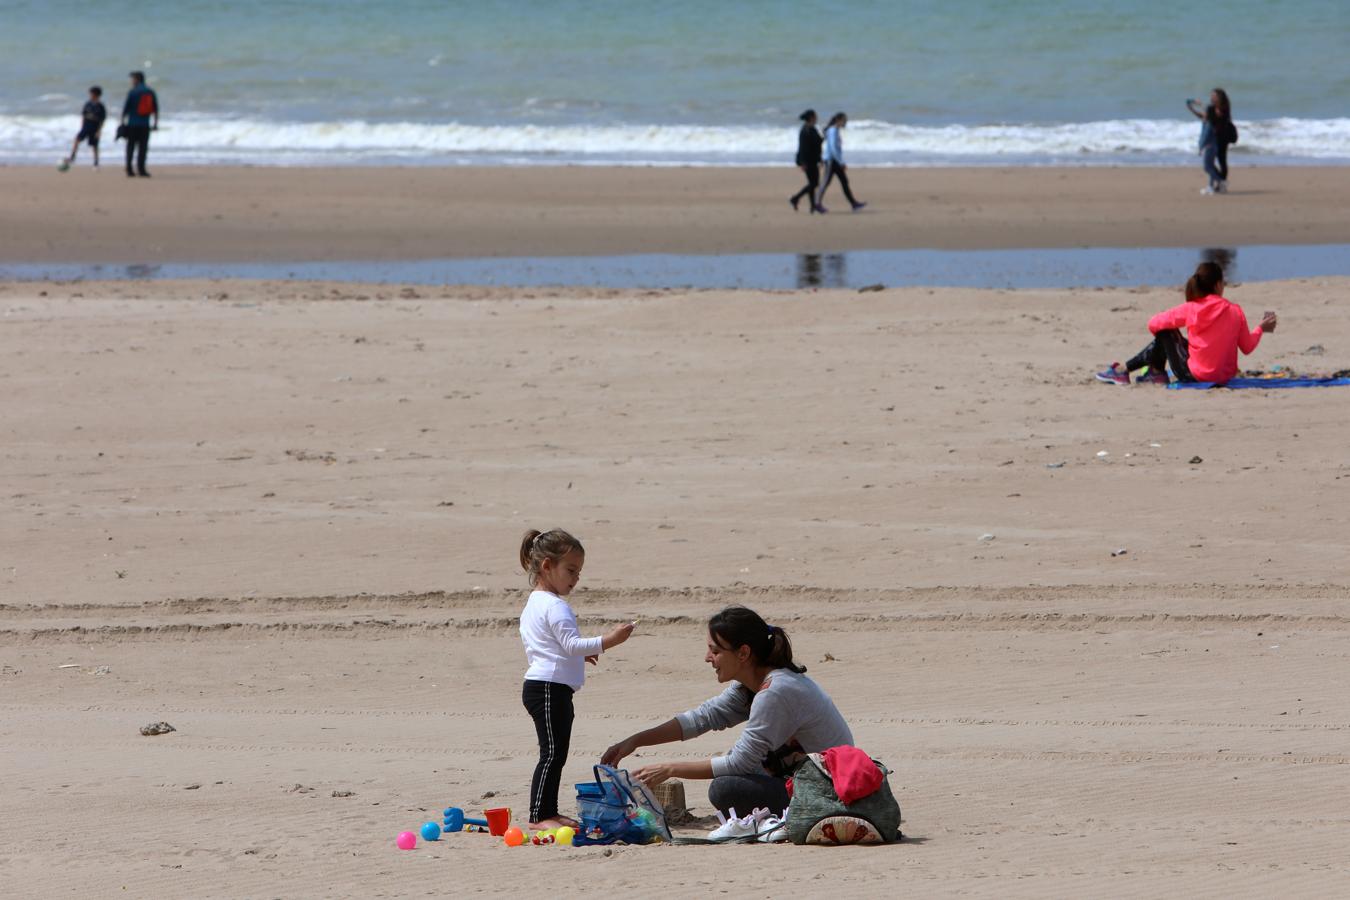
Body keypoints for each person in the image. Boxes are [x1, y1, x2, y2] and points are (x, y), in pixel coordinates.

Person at [600, 606, 853, 817]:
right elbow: (703, 717)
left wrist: (669, 768)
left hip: (830, 790)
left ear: (743, 653)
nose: (708, 658)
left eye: (716, 651)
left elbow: (739, 763)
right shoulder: (751, 685)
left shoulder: (776, 691)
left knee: (725, 789)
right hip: (802, 779)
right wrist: (634, 741)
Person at [517, 528, 634, 831]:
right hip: (547, 688)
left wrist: (579, 656)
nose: (575, 579)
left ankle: (548, 811)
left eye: (578, 572)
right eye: (570, 570)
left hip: (546, 686)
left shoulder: (536, 602)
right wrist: (610, 640)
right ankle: (540, 815)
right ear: (546, 566)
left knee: (556, 753)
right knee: (553, 753)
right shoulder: (555, 605)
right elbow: (569, 644)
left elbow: (548, 644)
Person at [1096, 261, 1276, 386]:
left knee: (1165, 332)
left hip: (1195, 376)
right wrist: (1260, 328)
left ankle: (1127, 370)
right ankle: (1154, 372)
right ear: (1218, 285)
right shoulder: (1235, 311)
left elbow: (1153, 324)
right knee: (1171, 336)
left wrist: (1168, 345)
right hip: (1223, 377)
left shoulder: (1192, 308)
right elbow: (1247, 347)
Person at [1186, 89, 1236, 195]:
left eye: (1214, 96)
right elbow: (1205, 117)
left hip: (1222, 139)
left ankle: (1221, 183)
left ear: (1220, 97)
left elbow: (1213, 119)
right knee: (1211, 164)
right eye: (1211, 95)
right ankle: (1215, 185)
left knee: (1221, 162)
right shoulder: (1212, 108)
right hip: (1213, 138)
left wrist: (1209, 111)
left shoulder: (1223, 108)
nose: (1212, 97)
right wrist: (1194, 109)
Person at [815, 112, 865, 213]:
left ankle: (854, 203)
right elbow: (833, 148)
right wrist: (841, 162)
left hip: (835, 161)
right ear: (838, 120)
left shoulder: (834, 130)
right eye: (844, 120)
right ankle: (816, 204)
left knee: (844, 181)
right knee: (825, 182)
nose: (845, 122)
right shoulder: (833, 130)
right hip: (831, 161)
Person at [121, 71, 159, 178]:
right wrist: (155, 123)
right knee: (143, 148)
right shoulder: (150, 91)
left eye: (132, 79)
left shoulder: (132, 92)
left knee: (130, 147)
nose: (131, 81)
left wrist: (122, 123)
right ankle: (141, 169)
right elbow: (155, 109)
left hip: (132, 123)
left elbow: (126, 109)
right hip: (145, 124)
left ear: (137, 79)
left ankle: (129, 169)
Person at [789, 109, 826, 214]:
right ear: (811, 118)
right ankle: (795, 198)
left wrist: (820, 159)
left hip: (813, 160)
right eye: (815, 116)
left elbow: (817, 143)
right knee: (814, 183)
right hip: (808, 161)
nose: (817, 118)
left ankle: (812, 206)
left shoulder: (812, 129)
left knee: (812, 183)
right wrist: (803, 163)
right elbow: (803, 148)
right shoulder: (805, 130)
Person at [65, 86, 106, 169]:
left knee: (94, 145)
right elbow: (83, 115)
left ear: (96, 95)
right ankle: (72, 157)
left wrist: (99, 131)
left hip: (95, 128)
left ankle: (96, 162)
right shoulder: (88, 104)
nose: (90, 95)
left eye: (91, 94)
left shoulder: (100, 106)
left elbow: (102, 120)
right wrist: (82, 126)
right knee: (77, 139)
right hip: (86, 127)